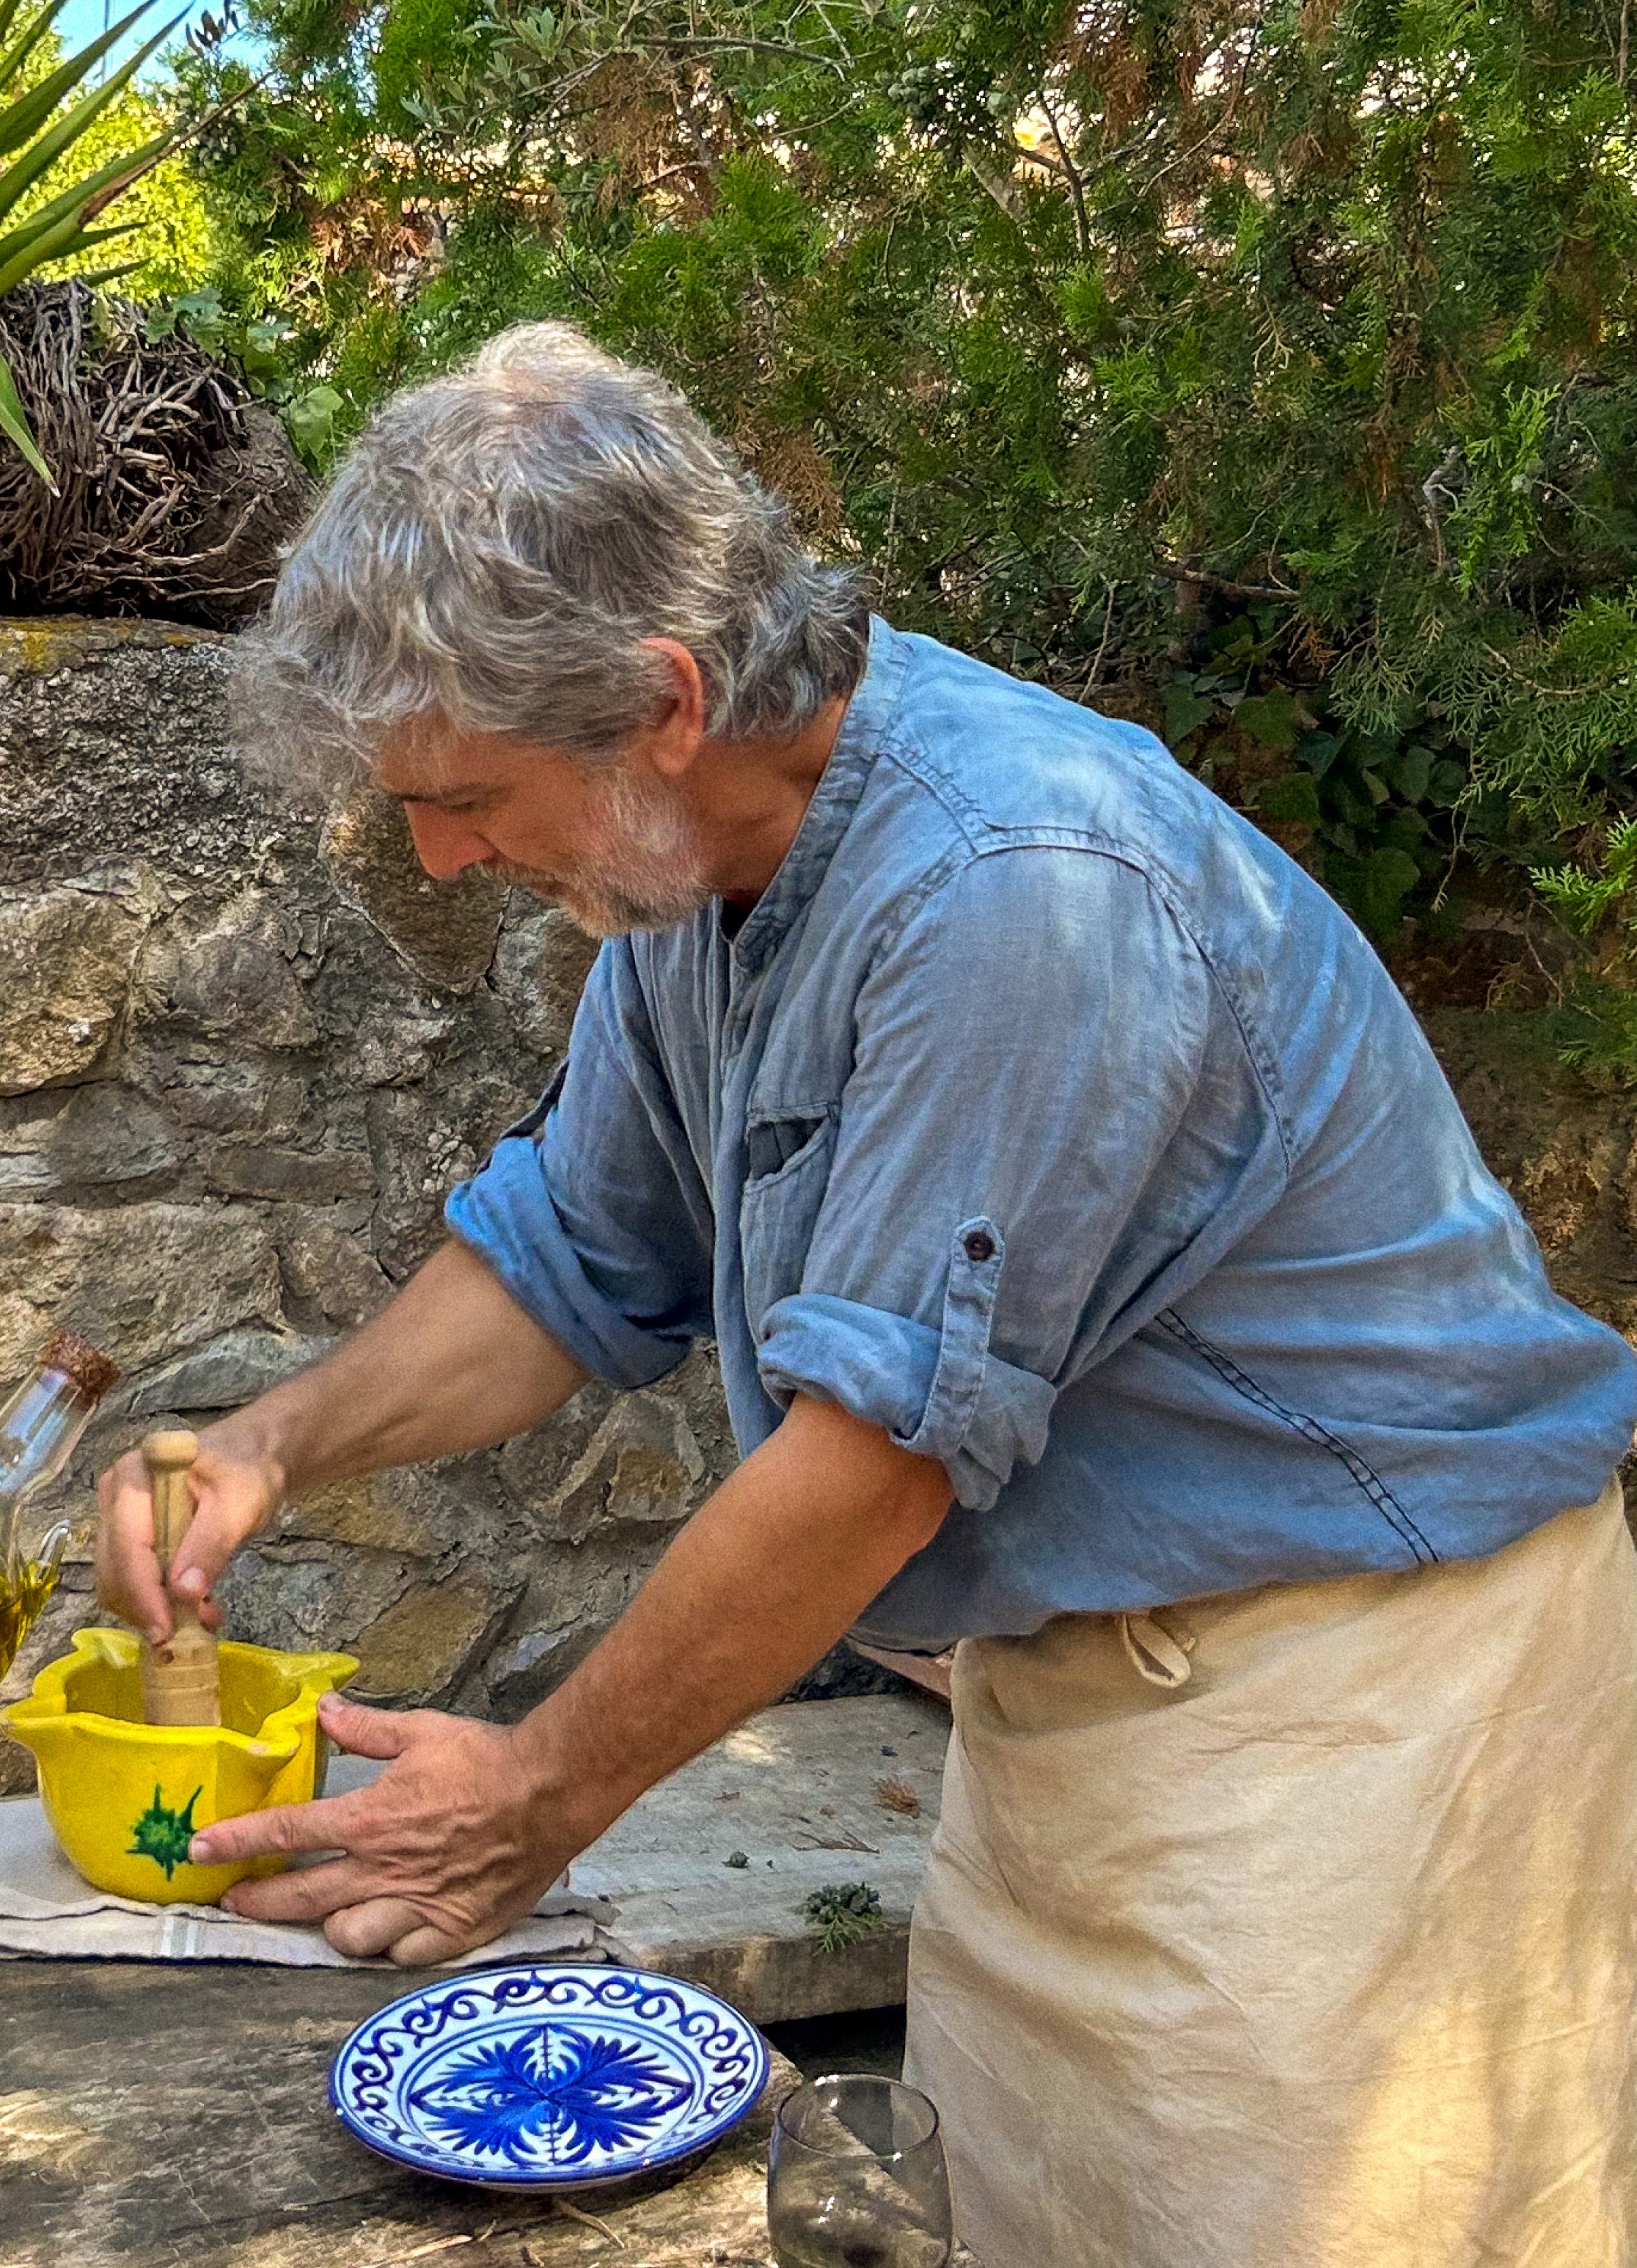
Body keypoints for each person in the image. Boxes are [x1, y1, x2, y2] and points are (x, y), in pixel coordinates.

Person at [94, 323, 1637, 2265]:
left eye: (465, 791)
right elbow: (568, 1264)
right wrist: (263, 1443)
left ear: (657, 699)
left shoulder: (1017, 880)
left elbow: (870, 1464)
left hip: (1356, 1716)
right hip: (1080, 1717)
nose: (435, 850)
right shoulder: (681, 881)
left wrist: (542, 1787)